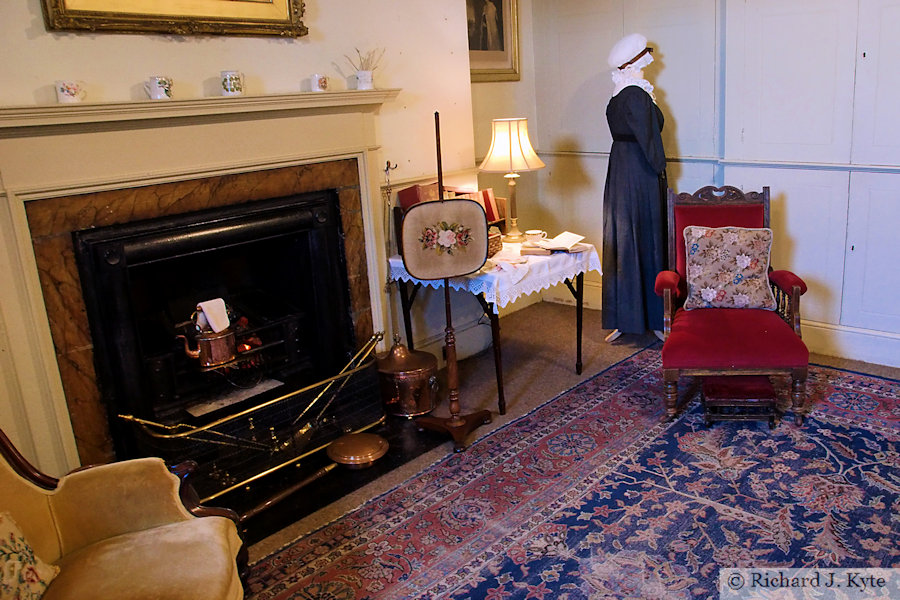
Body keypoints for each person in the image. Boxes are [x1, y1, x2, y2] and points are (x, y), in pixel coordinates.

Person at [601, 33, 667, 342]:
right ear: (638, 61)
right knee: (647, 235)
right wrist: (659, 171)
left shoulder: (618, 95)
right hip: (639, 170)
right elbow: (650, 139)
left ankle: (626, 316)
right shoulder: (637, 95)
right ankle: (654, 317)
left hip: (620, 169)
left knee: (624, 238)